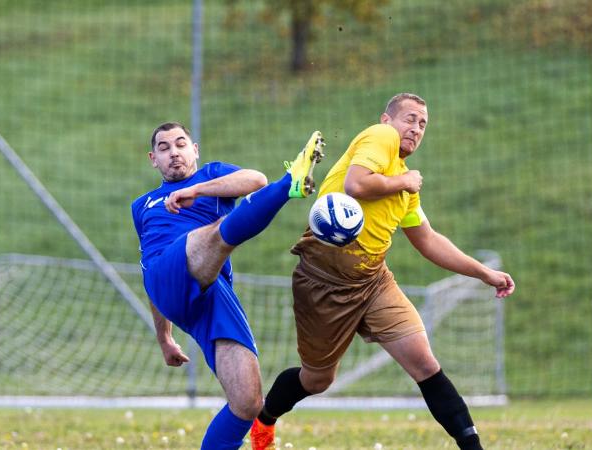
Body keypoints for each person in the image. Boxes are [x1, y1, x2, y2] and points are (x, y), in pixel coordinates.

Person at [250, 93, 515, 450]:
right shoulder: (381, 138)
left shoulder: (406, 184)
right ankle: (264, 420)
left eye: (423, 124)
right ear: (386, 120)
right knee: (317, 380)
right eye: (410, 118)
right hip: (322, 282)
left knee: (424, 363)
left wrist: (485, 273)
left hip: (373, 281)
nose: (416, 128)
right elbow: (355, 185)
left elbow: (428, 241)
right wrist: (403, 183)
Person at [131, 122, 324, 450]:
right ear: (153, 159)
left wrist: (198, 190)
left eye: (180, 144)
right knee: (218, 234)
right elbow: (148, 264)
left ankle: (288, 184)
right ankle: (291, 183)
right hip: (167, 273)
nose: (173, 152)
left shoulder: (211, 177)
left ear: (195, 150)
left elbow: (255, 180)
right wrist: (163, 337)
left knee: (247, 403)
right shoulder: (142, 205)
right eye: (164, 148)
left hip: (212, 292)